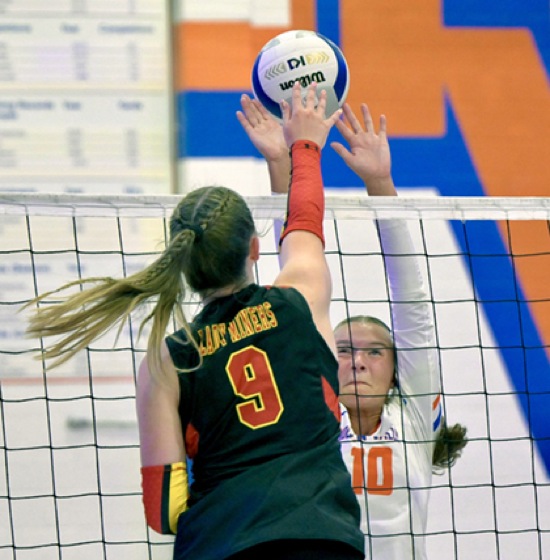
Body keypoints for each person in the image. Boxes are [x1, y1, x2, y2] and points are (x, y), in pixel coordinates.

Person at [24, 83, 365, 560]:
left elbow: (164, 510)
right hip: (320, 537)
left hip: (220, 545)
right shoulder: (299, 301)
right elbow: (303, 222)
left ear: (182, 264)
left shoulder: (166, 361)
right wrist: (302, 147)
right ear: (254, 249)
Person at [238, 95, 467, 559]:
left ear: (397, 370)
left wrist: (380, 183)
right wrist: (281, 165)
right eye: (344, 350)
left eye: (375, 352)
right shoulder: (310, 419)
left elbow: (412, 301)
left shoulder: (414, 419)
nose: (358, 362)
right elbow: (293, 277)